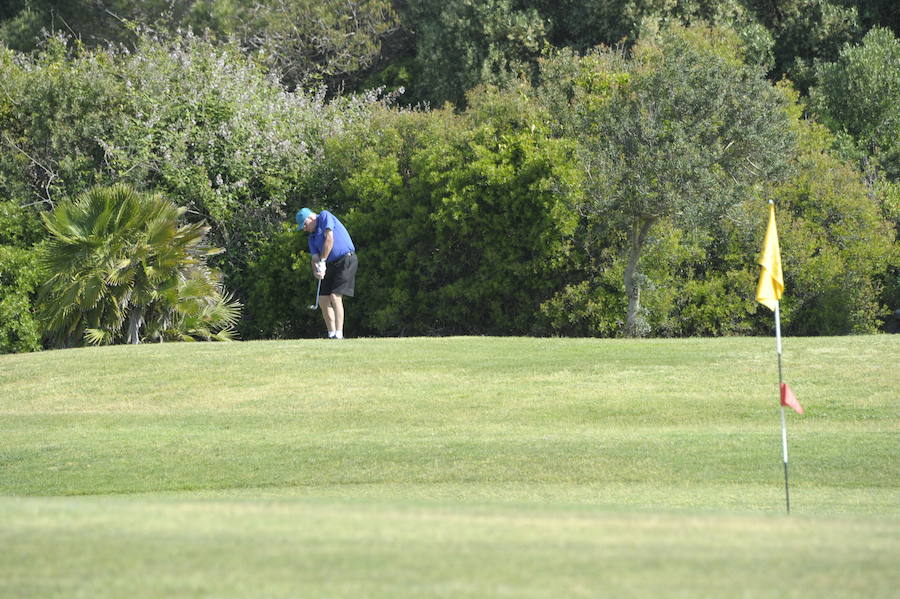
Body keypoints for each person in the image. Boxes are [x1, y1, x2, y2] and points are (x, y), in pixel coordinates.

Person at [296, 207, 358, 339]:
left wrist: (322, 261)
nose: (305, 229)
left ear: (312, 218)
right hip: (329, 265)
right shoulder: (311, 238)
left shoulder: (324, 216)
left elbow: (329, 239)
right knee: (323, 300)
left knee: (335, 296)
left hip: (346, 259)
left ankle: (339, 334)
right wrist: (316, 270)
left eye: (305, 225)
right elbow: (314, 258)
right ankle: (331, 334)